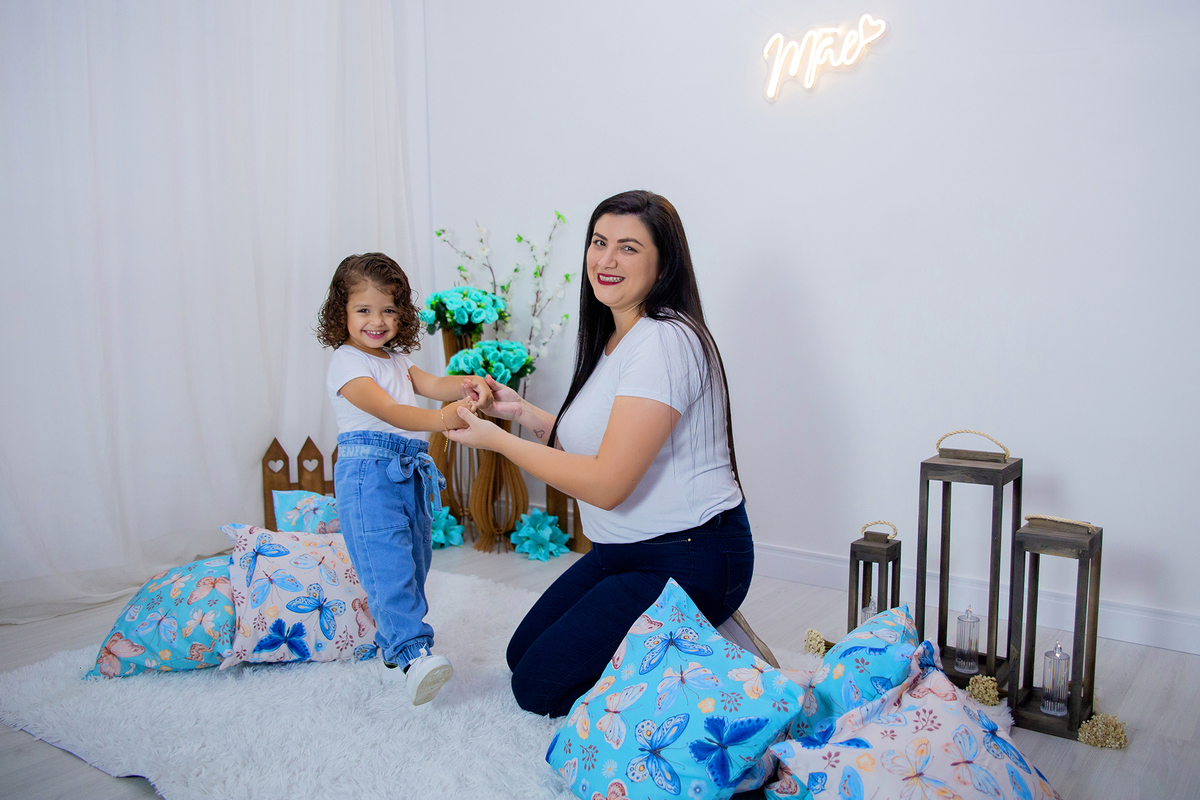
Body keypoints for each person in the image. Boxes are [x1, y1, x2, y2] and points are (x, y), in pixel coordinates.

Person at [448, 191, 752, 716]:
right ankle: (676, 640)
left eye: (629, 248)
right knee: (522, 656)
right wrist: (519, 412)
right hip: (621, 551)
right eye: (599, 242)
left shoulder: (664, 341)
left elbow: (608, 485)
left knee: (538, 689)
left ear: (663, 264)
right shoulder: (616, 340)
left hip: (689, 556)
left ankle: (710, 664)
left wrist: (498, 441)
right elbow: (597, 445)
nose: (606, 260)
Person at [316, 252, 491, 705]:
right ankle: (414, 654)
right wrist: (444, 420)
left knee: (414, 560)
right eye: (363, 310)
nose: (377, 321)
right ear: (341, 313)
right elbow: (391, 412)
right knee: (387, 563)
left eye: (388, 310)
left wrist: (466, 385)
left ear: (403, 314)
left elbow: (432, 385)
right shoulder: (346, 362)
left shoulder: (395, 360)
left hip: (408, 470)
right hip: (368, 475)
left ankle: (392, 644)